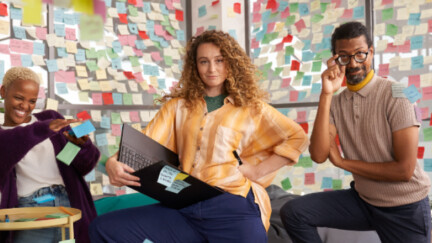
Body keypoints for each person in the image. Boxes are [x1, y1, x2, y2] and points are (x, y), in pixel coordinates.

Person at [89, 30, 308, 243]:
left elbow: (297, 137)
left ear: (231, 63)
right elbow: (144, 142)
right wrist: (113, 161)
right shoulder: (177, 107)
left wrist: (258, 171)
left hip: (232, 205)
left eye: (219, 60)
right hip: (185, 204)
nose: (212, 68)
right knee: (103, 228)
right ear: (195, 66)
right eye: (204, 61)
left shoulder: (252, 108)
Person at [280, 21, 431, 243]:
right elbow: (319, 155)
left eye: (360, 54)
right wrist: (326, 94)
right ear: (334, 60)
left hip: (404, 208)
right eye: (344, 57)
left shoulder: (398, 92)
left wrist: (343, 163)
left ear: (371, 53)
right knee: (294, 213)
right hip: (364, 201)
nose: (353, 63)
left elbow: (404, 170)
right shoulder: (335, 102)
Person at [0, 67, 100, 243]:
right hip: (30, 209)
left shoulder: (50, 117)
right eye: (18, 98)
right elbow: (12, 143)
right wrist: (43, 129)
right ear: (3, 91)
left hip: (69, 204)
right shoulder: (11, 133)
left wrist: (82, 146)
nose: (25, 106)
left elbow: (83, 166)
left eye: (32, 101)